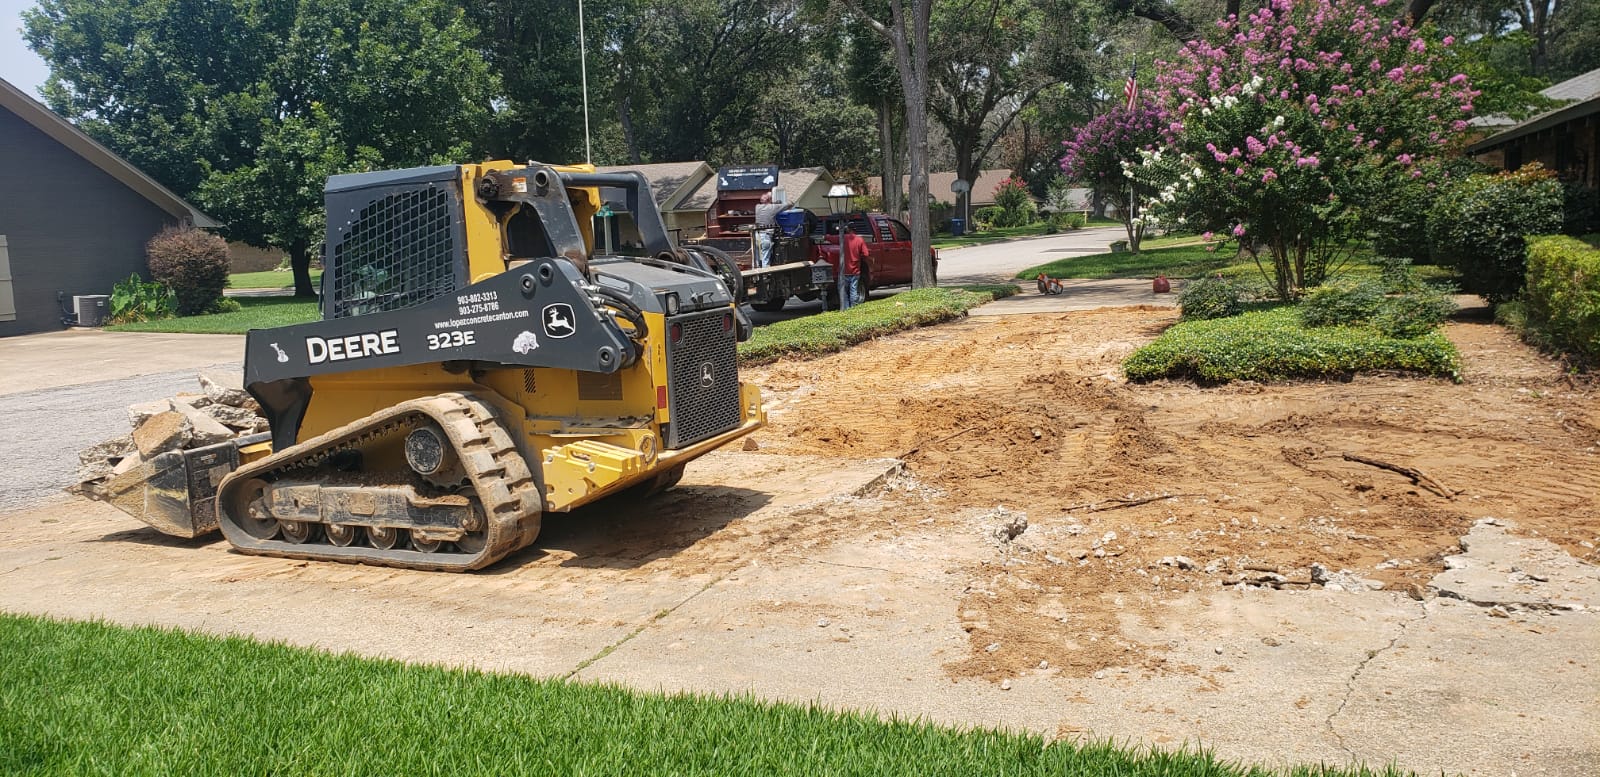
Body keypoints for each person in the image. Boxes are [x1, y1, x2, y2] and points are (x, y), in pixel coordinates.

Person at [838, 221, 870, 310]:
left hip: (844, 270)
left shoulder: (843, 238)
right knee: (853, 290)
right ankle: (853, 308)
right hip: (855, 270)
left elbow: (831, 238)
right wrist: (859, 257)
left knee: (843, 290)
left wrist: (826, 236)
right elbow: (866, 254)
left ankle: (846, 308)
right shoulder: (860, 240)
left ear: (848, 229)